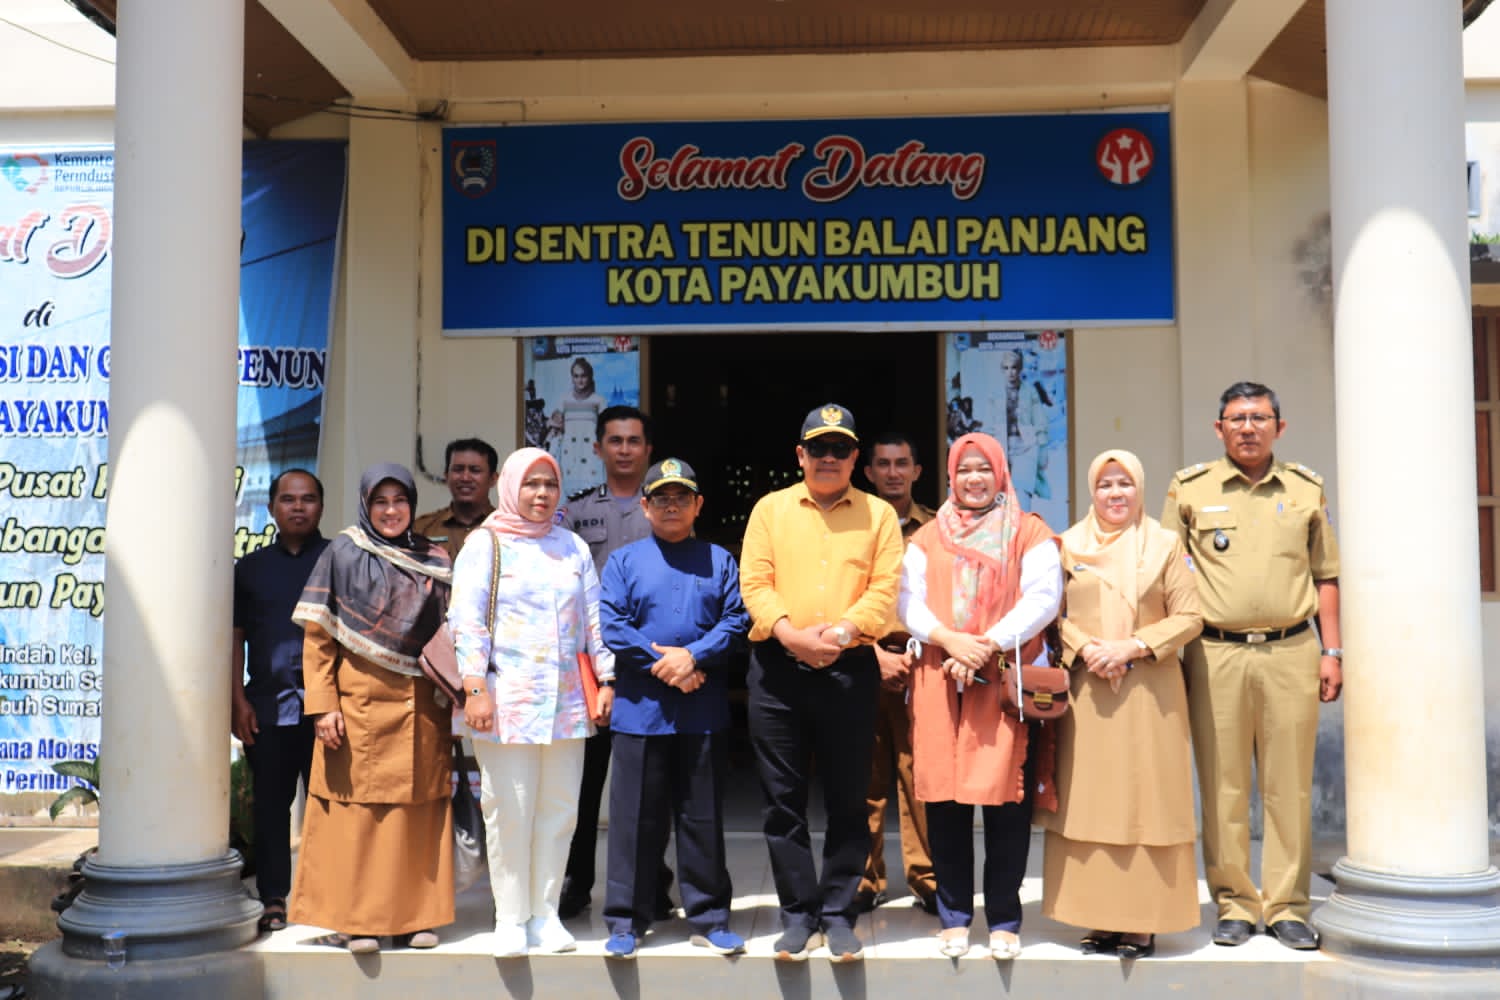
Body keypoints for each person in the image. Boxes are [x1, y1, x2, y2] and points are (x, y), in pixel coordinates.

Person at [1162, 381, 1342, 952]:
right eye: (1237, 418)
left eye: (1259, 418)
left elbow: (1326, 575)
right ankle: (1235, 903)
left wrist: (1332, 651)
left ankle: (1288, 906)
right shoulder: (1190, 489)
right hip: (1215, 654)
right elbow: (1165, 575)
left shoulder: (1306, 489)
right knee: (1224, 787)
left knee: (1289, 787)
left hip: (1292, 651)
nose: (1248, 428)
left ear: (1278, 427)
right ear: (1219, 428)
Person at [739, 403, 904, 963]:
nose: (828, 457)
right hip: (777, 670)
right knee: (782, 801)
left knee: (849, 799)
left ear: (856, 458)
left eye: (840, 448)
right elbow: (755, 583)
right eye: (818, 448)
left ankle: (837, 912)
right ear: (800, 454)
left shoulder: (879, 515)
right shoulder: (770, 510)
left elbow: (884, 589)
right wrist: (791, 636)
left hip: (848, 669)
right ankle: (797, 914)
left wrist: (838, 634)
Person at [899, 431, 1060, 960]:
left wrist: (984, 644)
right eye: (964, 469)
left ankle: (1005, 919)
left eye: (983, 468)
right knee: (944, 802)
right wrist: (950, 641)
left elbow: (1043, 598)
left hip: (1001, 677)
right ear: (951, 475)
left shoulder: (1028, 531)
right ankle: (954, 917)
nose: (974, 478)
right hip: (940, 675)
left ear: (1000, 473)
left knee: (1004, 802)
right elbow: (908, 601)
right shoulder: (927, 536)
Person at [451, 447, 616, 958]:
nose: (541, 494)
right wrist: (475, 689)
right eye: (531, 484)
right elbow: (467, 622)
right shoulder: (485, 545)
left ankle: (545, 914)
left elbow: (594, 619)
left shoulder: (572, 546)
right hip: (507, 703)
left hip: (567, 702)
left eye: (550, 484)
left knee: (560, 811)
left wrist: (607, 678)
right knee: (509, 811)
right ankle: (511, 917)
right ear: (509, 486)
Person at [1040, 450, 1203, 958]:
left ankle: (1142, 922)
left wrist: (1132, 646)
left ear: (1140, 489)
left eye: (1125, 484)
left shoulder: (1165, 544)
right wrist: (1088, 648)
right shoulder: (1067, 545)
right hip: (1088, 690)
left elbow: (1190, 616)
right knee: (1092, 800)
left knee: (1148, 800)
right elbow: (1051, 613)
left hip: (1150, 691)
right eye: (1106, 484)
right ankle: (1100, 917)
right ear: (1092, 491)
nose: (1115, 493)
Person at [288, 464, 454, 954]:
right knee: (356, 819)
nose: (391, 511)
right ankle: (356, 923)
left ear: (412, 505)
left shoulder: (434, 558)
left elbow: (454, 631)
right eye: (380, 501)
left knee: (415, 815)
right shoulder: (342, 553)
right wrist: (323, 707)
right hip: (356, 708)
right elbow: (318, 640)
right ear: (365, 505)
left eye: (399, 501)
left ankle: (415, 919)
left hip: (420, 709)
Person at [598, 458, 750, 959]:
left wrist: (694, 656)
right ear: (644, 507)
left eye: (681, 497)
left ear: (698, 505)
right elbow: (613, 625)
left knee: (700, 818)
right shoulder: (623, 561)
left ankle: (709, 916)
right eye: (661, 498)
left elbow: (736, 621)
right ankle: (626, 919)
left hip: (701, 711)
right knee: (634, 821)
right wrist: (668, 664)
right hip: (641, 710)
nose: (671, 506)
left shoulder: (719, 560)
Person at [558, 405, 663, 920]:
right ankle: (575, 884)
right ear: (598, 448)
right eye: (615, 441)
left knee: (647, 787)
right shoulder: (575, 513)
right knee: (582, 786)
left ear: (648, 449)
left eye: (634, 441)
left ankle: (651, 887)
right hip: (590, 672)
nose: (624, 449)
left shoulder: (664, 507)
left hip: (650, 667)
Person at [231, 468, 329, 933]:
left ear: (320, 507)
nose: (298, 507)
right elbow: (235, 637)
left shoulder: (338, 561)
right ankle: (274, 897)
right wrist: (236, 699)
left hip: (328, 709)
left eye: (307, 499)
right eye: (288, 499)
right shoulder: (249, 569)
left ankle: (328, 897)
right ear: (272, 507)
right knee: (270, 808)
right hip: (268, 708)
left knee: (330, 807)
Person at [855, 433, 938, 915]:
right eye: (883, 464)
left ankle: (926, 878)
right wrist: (872, 655)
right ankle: (866, 879)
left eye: (901, 463)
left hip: (919, 664)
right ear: (868, 472)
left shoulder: (935, 528)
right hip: (862, 659)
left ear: (916, 471)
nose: (892, 472)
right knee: (863, 779)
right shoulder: (853, 526)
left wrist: (918, 654)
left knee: (919, 777)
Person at [411, 437, 500, 560]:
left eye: (475, 470)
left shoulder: (508, 529)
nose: (465, 478)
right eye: (458, 470)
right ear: (446, 476)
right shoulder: (422, 528)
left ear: (493, 479)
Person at [561, 357, 608, 490]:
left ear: (589, 377)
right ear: (572, 378)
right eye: (576, 376)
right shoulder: (564, 399)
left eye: (583, 376)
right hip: (570, 455)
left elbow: (605, 428)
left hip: (591, 457)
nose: (580, 380)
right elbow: (555, 423)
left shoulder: (599, 400)